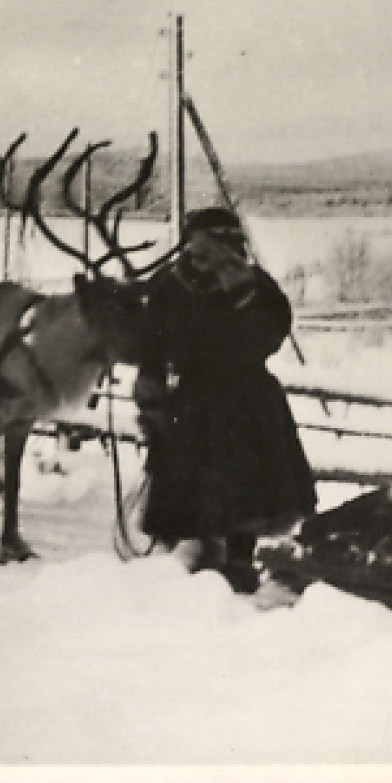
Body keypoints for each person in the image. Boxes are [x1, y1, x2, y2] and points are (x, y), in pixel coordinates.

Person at [133, 208, 317, 593]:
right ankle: (197, 556)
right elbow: (152, 343)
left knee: (245, 483)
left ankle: (239, 557)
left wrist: (240, 293)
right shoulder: (169, 287)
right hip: (193, 400)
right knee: (189, 480)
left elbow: (268, 335)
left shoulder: (257, 289)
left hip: (247, 400)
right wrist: (151, 390)